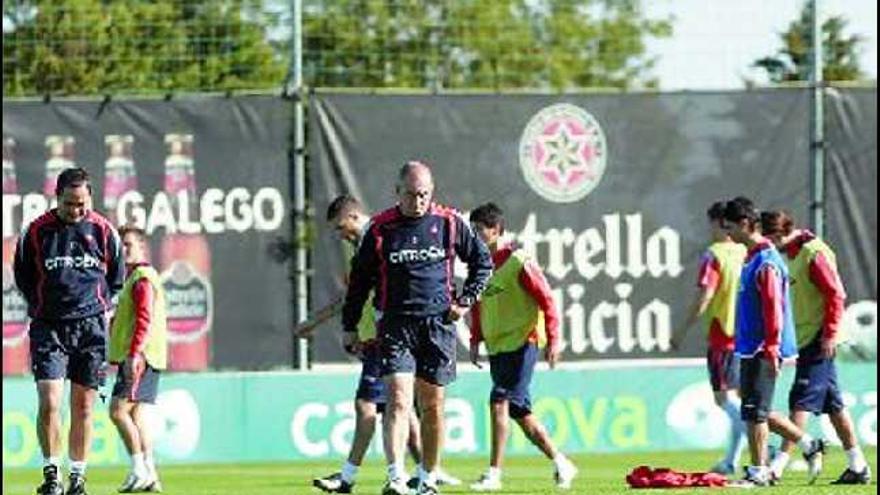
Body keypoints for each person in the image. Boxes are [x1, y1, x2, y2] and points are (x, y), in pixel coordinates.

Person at [341, 162, 492, 495]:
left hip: (438, 325)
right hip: (395, 324)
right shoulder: (380, 229)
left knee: (433, 406)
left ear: (432, 192)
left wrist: (465, 301)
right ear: (398, 192)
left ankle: (428, 477)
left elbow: (483, 264)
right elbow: (359, 282)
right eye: (411, 194)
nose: (418, 201)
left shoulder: (450, 223)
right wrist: (349, 325)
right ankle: (395, 477)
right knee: (397, 399)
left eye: (423, 194)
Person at [311, 194, 460, 493]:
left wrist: (319, 322)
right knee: (403, 407)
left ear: (354, 217)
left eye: (341, 227)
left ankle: (352, 476)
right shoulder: (368, 241)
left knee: (368, 405)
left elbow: (362, 294)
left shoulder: (379, 237)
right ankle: (427, 472)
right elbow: (356, 295)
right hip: (376, 336)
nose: (341, 234)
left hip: (388, 335)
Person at [14, 167, 125, 495]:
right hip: (49, 327)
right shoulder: (36, 231)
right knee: (49, 401)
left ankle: (78, 477)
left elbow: (116, 279)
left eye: (82, 203)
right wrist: (43, 307)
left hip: (91, 328)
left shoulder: (105, 231)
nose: (75, 210)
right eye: (68, 203)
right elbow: (23, 276)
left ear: (90, 198)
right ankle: (52, 475)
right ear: (56, 197)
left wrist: (99, 311)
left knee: (85, 406)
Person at [466, 202, 577, 491]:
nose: (475, 236)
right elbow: (478, 306)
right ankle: (561, 461)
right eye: (472, 230)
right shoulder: (479, 266)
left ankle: (494, 474)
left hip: (523, 341)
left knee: (498, 400)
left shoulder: (518, 260)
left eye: (480, 230)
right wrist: (475, 339)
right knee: (520, 413)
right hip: (498, 347)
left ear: (496, 230)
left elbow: (547, 299)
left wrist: (554, 339)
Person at [761, 211, 871, 485]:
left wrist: (831, 334)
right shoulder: (791, 255)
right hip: (808, 336)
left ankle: (777, 467)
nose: (770, 245)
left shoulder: (813, 252)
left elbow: (836, 294)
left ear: (778, 234)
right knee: (834, 406)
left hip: (820, 338)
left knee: (800, 400)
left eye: (770, 239)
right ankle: (858, 466)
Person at [722, 197, 825, 487]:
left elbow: (774, 307)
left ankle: (759, 473)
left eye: (730, 227)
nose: (728, 234)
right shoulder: (752, 257)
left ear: (745, 224)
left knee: (755, 411)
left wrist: (770, 348)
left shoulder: (766, 261)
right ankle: (807, 444)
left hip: (762, 347)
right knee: (755, 407)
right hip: (749, 346)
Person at [682, 201, 748, 475]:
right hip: (748, 336)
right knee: (742, 401)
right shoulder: (745, 251)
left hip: (723, 335)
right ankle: (731, 460)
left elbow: (705, 296)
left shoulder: (714, 255)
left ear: (719, 223)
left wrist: (681, 330)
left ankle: (767, 445)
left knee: (724, 399)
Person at [108, 224, 167, 493]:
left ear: (143, 246)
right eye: (121, 246)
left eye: (129, 245)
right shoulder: (134, 277)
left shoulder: (142, 277)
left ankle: (139, 470)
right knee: (136, 414)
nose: (124, 250)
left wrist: (134, 353)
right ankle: (151, 473)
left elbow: (145, 318)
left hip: (139, 357)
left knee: (118, 412)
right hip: (142, 355)